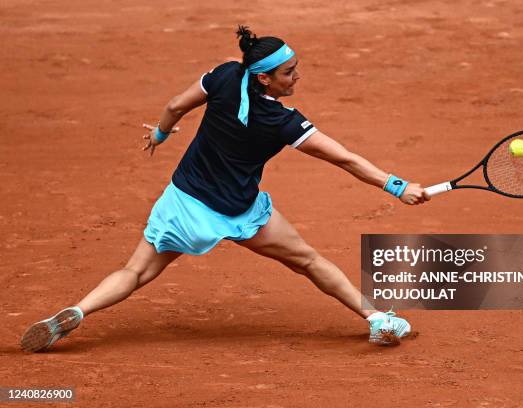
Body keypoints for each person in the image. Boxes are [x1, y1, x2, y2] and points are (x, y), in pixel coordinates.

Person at [20, 26, 430, 352]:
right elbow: (346, 159)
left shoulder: (224, 76)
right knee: (307, 260)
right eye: (288, 72)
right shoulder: (283, 122)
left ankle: (76, 310)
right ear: (265, 78)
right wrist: (397, 187)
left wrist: (161, 135)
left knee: (135, 271)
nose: (296, 76)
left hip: (183, 205)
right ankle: (377, 318)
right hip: (241, 213)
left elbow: (176, 105)